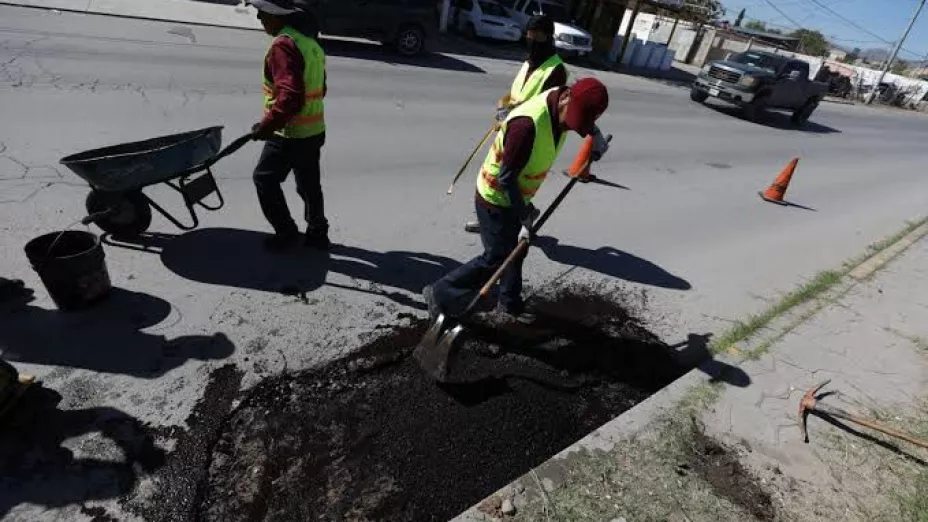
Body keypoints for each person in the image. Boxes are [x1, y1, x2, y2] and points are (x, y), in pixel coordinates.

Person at [426, 78, 611, 321]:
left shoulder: (561, 100)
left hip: (516, 195)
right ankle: (439, 292)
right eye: (572, 119)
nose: (569, 127)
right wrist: (524, 217)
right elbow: (506, 178)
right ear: (566, 97)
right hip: (495, 197)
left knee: (516, 250)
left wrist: (594, 137)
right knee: (496, 257)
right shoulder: (526, 126)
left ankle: (510, 303)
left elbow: (580, 119)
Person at [463, 14, 567, 234]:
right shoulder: (528, 61)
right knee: (492, 176)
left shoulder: (556, 70)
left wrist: (513, 113)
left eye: (537, 37)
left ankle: (513, 216)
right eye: (529, 36)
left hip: (527, 134)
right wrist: (502, 107)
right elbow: (514, 93)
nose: (532, 41)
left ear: (548, 38)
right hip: (508, 127)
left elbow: (546, 108)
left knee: (511, 180)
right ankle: (491, 216)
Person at [249, 0, 330, 250]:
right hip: (314, 130)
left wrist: (267, 126)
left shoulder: (284, 45)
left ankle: (286, 233)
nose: (259, 17)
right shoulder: (310, 43)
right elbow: (321, 87)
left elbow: (291, 97)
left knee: (264, 179)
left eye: (263, 13)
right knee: (308, 184)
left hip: (290, 133)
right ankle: (318, 233)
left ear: (278, 16)